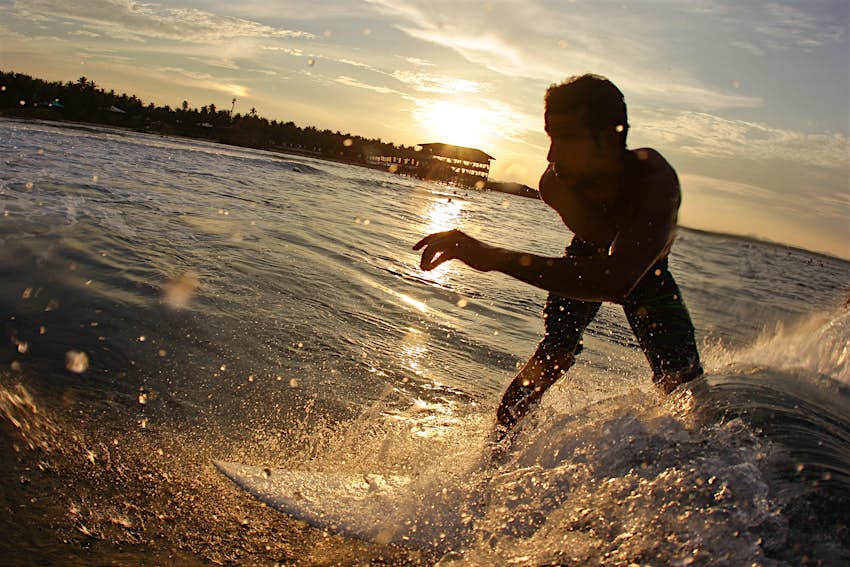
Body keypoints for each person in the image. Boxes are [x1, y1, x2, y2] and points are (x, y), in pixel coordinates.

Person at [413, 74, 703, 441]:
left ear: (611, 136)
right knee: (552, 356)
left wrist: (495, 257)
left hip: (646, 269)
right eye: (550, 135)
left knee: (684, 387)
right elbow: (597, 254)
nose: (551, 155)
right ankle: (490, 464)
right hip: (592, 256)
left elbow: (618, 280)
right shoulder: (556, 184)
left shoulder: (654, 179)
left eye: (567, 137)